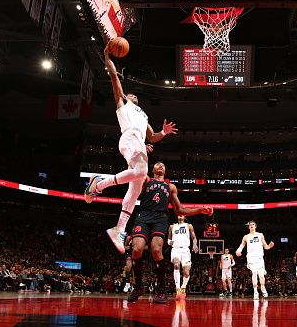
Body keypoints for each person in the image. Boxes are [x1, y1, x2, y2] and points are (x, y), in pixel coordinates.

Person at [84, 44, 178, 253]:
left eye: (136, 96)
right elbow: (115, 78)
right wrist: (107, 56)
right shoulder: (122, 104)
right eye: (131, 95)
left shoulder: (143, 115)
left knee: (135, 189)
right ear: (126, 97)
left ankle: (118, 230)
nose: (133, 96)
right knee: (143, 172)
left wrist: (163, 133)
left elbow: (152, 137)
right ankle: (98, 184)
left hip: (139, 144)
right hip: (128, 139)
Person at [127, 162, 213, 304]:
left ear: (166, 170)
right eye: (157, 164)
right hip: (143, 216)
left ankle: (161, 290)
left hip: (160, 218)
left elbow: (179, 210)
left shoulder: (170, 187)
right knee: (137, 249)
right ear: (152, 169)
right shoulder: (146, 180)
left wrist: (199, 210)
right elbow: (135, 170)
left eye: (163, 165)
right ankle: (137, 287)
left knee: (156, 249)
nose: (161, 166)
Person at [235, 221, 274, 300]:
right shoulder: (246, 237)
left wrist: (269, 246)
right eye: (250, 225)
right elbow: (241, 246)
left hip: (259, 257)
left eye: (253, 224)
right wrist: (238, 251)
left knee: (261, 274)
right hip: (251, 257)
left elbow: (265, 246)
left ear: (255, 226)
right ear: (248, 227)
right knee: (254, 272)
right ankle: (255, 291)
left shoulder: (260, 235)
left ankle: (262, 287)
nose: (251, 226)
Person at [168, 215, 199, 299]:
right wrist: (170, 242)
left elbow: (194, 238)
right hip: (175, 249)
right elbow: (169, 239)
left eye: (182, 213)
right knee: (176, 265)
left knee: (186, 273)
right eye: (178, 214)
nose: (180, 215)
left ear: (184, 216)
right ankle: (177, 289)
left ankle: (183, 287)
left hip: (185, 250)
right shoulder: (172, 226)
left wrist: (195, 245)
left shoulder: (188, 226)